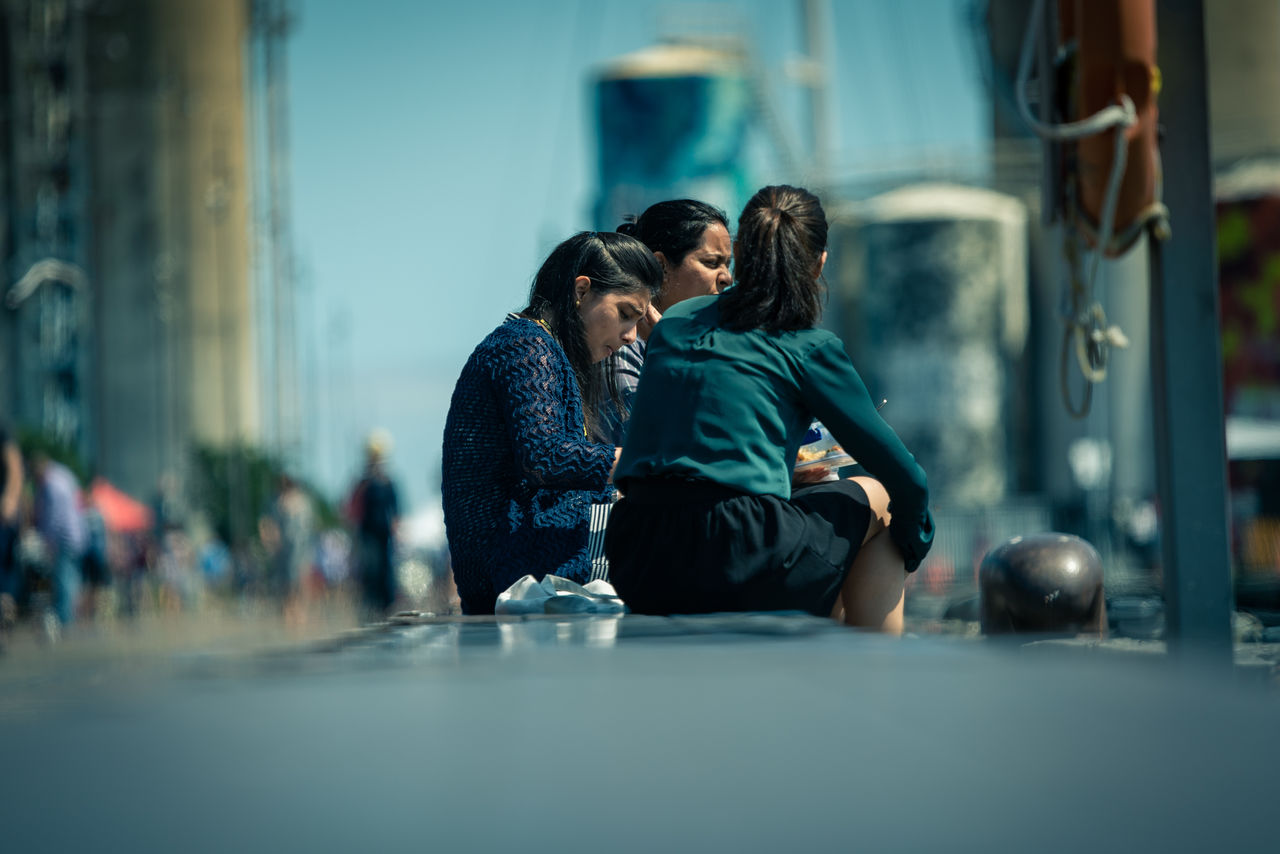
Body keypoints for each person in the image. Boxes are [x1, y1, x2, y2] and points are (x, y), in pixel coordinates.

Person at [605, 185, 934, 634]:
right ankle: (876, 668)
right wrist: (916, 540)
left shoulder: (675, 324)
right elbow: (905, 475)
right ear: (820, 262)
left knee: (825, 525)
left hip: (638, 554)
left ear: (740, 252)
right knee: (880, 496)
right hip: (740, 552)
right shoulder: (809, 347)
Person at [441, 230, 662, 615]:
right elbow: (544, 456)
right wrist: (642, 462)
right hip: (515, 575)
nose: (630, 336)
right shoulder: (527, 346)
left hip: (521, 571)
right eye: (626, 314)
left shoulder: (539, 347)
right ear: (581, 291)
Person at [597, 200, 733, 445]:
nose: (727, 278)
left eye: (727, 265)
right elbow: (649, 448)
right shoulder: (621, 349)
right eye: (712, 263)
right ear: (661, 267)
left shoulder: (704, 346)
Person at [30, 451, 87, 627]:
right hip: (77, 534)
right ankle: (70, 616)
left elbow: (54, 516)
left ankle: (65, 619)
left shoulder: (52, 484)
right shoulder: (64, 475)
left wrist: (48, 538)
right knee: (72, 577)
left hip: (64, 536)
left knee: (63, 578)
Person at [348, 432, 401, 618]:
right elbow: (353, 505)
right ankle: (370, 605)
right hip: (367, 532)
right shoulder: (363, 482)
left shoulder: (387, 482)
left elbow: (395, 508)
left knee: (385, 568)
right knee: (370, 567)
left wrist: (396, 526)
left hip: (384, 532)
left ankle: (386, 606)